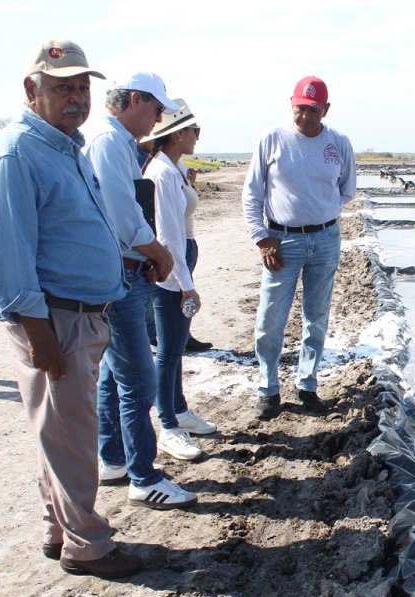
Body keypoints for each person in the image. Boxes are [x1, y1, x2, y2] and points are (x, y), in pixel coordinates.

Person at [0, 38, 142, 579]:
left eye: (81, 87)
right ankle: (88, 546)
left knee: (60, 431)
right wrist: (38, 331)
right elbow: (10, 253)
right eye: (61, 87)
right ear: (32, 90)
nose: (75, 98)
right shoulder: (15, 153)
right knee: (73, 436)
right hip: (55, 319)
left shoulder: (66, 146)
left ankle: (59, 528)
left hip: (82, 314)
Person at [83, 72, 200, 509]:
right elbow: (122, 215)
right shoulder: (110, 142)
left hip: (123, 270)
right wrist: (159, 253)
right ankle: (144, 477)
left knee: (115, 373)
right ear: (135, 100)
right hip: (120, 275)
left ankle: (113, 457)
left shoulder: (114, 142)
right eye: (155, 108)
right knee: (138, 378)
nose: (157, 117)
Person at [242, 76, 356, 420]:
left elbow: (347, 190)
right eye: (300, 108)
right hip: (281, 242)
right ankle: (268, 388)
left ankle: (307, 384)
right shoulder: (272, 138)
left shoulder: (338, 143)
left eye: (313, 109)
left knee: (317, 316)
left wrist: (322, 211)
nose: (305, 116)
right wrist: (262, 237)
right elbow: (252, 193)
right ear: (291, 104)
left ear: (326, 110)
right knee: (271, 317)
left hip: (325, 240)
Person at [141, 99, 217, 445]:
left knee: (174, 347)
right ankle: (168, 424)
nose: (197, 136)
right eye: (193, 130)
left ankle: (179, 410)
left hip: (180, 254)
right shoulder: (162, 173)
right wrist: (186, 285)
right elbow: (167, 235)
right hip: (172, 260)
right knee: (169, 348)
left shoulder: (172, 169)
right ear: (177, 134)